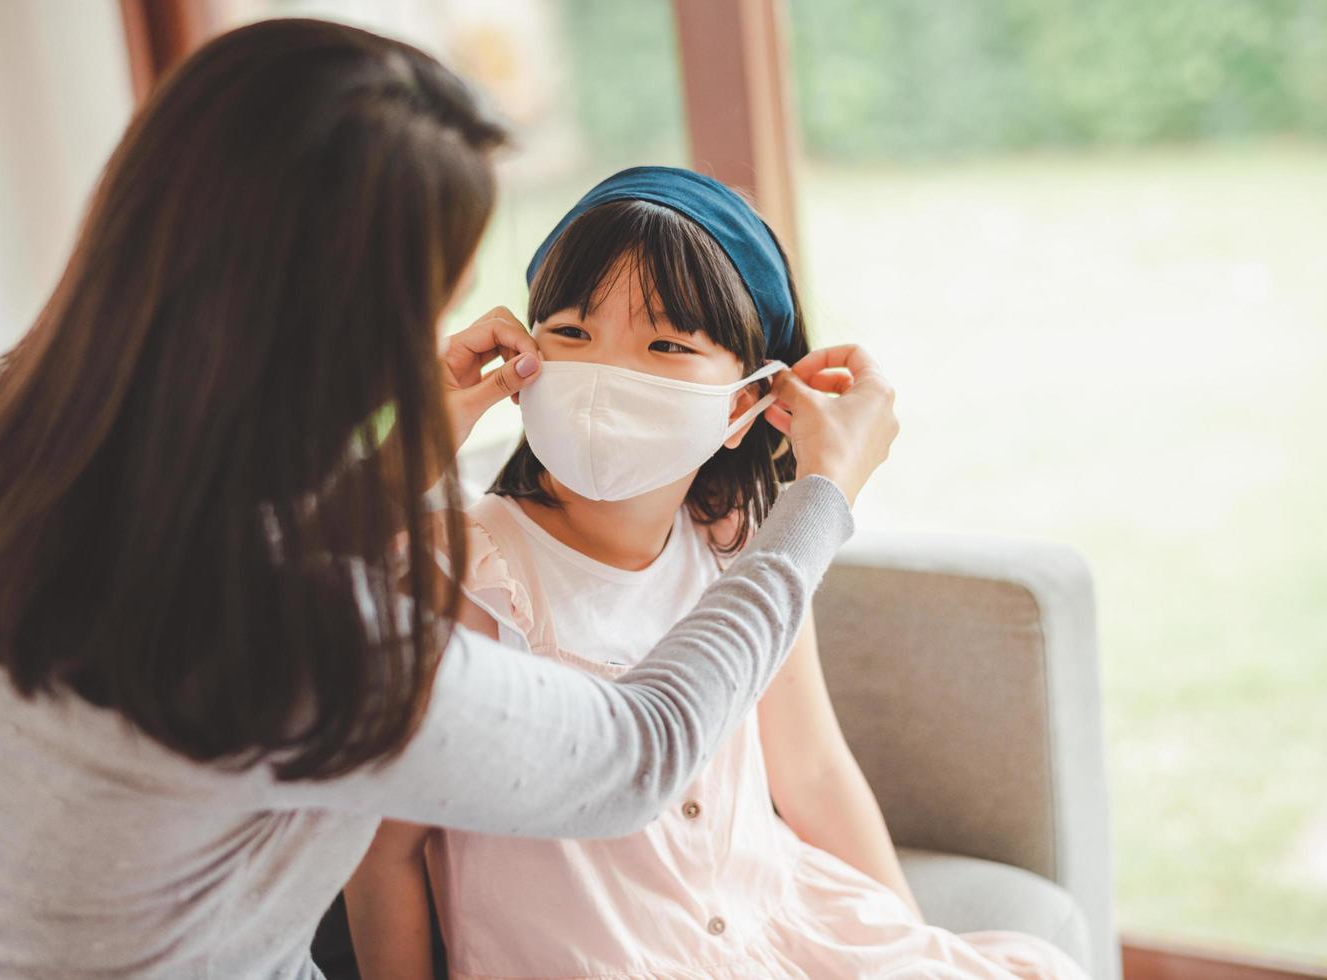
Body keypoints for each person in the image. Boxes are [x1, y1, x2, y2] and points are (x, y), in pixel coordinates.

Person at [0, 19, 897, 980]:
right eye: (424, 299)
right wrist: (821, 498)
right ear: (341, 324)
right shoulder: (300, 636)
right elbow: (639, 748)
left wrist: (398, 463)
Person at [344, 168, 1087, 980]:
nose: (606, 374)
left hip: (774, 930)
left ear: (743, 402)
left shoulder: (741, 543)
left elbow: (811, 769)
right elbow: (383, 849)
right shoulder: (463, 569)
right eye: (569, 331)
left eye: (666, 345)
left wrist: (909, 945)